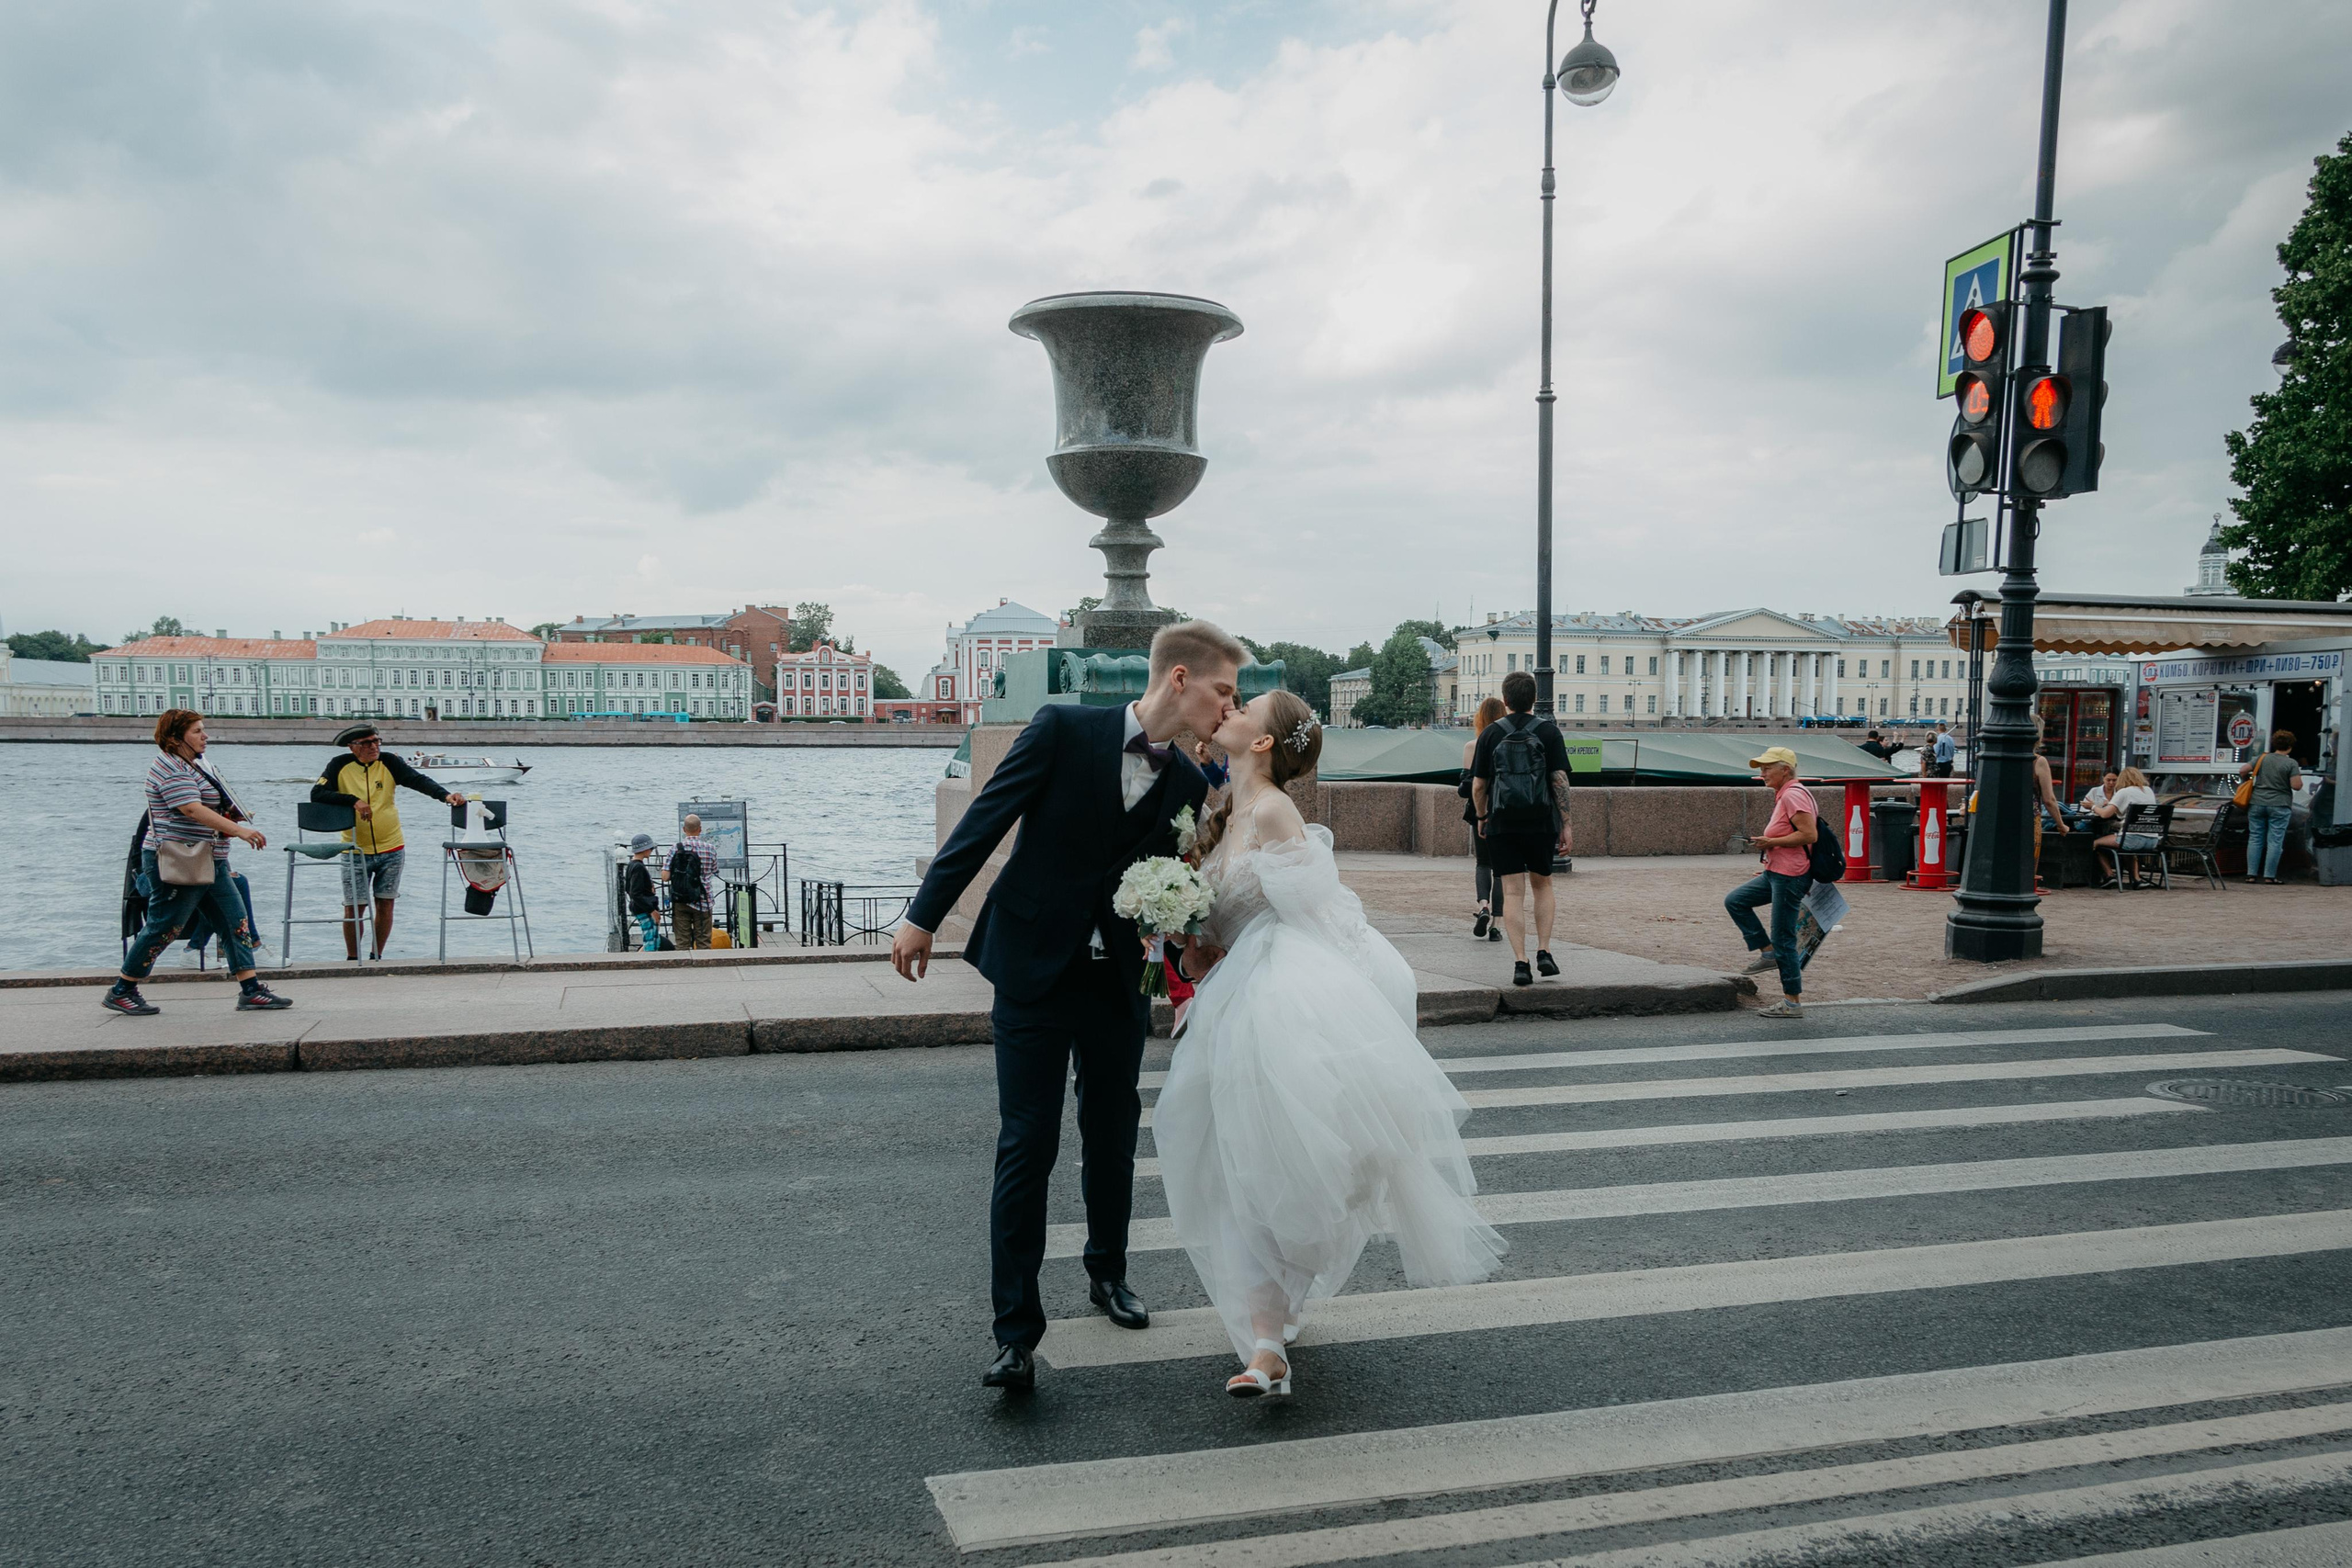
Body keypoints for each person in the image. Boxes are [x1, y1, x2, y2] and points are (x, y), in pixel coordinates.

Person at [890, 619, 1229, 1393]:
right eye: (1222, 689)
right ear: (1179, 679)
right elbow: (986, 820)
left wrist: (1190, 950)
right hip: (1033, 973)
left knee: (1112, 1135)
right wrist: (922, 914)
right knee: (1027, 1143)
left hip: (1115, 987)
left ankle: (1108, 1274)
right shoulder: (1062, 729)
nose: (1228, 704)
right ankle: (1016, 1333)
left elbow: (1178, 888)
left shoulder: (1187, 784)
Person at [1157, 690, 1505, 1399]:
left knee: (1275, 1164)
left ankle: (1265, 1342)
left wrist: (1341, 1010)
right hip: (1232, 998)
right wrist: (1181, 933)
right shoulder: (1219, 815)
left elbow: (1321, 914)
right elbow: (1214, 936)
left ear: (1263, 743)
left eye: (1245, 706)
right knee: (1238, 1166)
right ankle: (1267, 1334)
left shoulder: (1275, 810)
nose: (1231, 707)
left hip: (1283, 996)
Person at [105, 709, 293, 1017]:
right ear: (175, 738)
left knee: (235, 921)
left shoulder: (192, 765)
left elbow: (204, 805)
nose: (205, 736)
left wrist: (229, 818)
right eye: (197, 731)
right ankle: (122, 990)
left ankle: (251, 990)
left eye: (203, 730)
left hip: (209, 858)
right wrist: (239, 830)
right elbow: (191, 809)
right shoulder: (171, 769)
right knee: (164, 926)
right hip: (181, 860)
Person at [309, 725, 463, 961]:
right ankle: (352, 960)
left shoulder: (389, 762)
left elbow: (418, 780)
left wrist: (445, 795)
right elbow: (317, 794)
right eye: (367, 743)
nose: (374, 746)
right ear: (352, 747)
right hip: (354, 849)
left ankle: (376, 956)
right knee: (354, 907)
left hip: (392, 846)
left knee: (386, 904)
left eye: (376, 741)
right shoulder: (339, 765)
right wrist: (353, 800)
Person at [1470, 671, 1574, 988]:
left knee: (1513, 893)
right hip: (1541, 821)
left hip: (1503, 822)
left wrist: (1482, 816)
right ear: (1533, 699)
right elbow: (1559, 781)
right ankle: (1544, 951)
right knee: (1543, 887)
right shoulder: (1549, 732)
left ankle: (1521, 963)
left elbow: (1478, 785)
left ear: (1505, 699)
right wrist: (1566, 823)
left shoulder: (1490, 734)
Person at [1724, 746, 1816, 1021]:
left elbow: (1809, 835)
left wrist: (1771, 842)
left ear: (1785, 770)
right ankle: (1767, 953)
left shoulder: (1793, 794)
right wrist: (1769, 848)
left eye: (1767, 768)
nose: (1762, 773)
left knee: (1784, 939)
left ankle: (1792, 1002)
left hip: (1790, 875)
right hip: (1777, 871)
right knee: (1736, 901)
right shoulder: (1785, 794)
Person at [1458, 696, 1509, 942]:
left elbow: (1466, 787)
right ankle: (1497, 925)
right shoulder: (1509, 743)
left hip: (1478, 811)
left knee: (1482, 863)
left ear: (1479, 718)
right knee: (1501, 869)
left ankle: (1483, 905)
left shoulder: (1472, 746)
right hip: (1504, 811)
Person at [2240, 731, 2303, 884]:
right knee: (2275, 840)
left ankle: (2251, 875)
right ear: (2290, 747)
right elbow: (2296, 786)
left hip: (2257, 803)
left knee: (2255, 838)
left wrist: (2248, 779)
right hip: (2279, 805)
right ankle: (2269, 876)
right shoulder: (2291, 763)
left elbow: (2242, 770)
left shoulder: (2262, 758)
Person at [2087, 765, 2158, 886]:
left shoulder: (2124, 792)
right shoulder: (2148, 790)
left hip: (2132, 840)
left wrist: (2092, 806)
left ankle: (2109, 875)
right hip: (2152, 840)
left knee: (2096, 843)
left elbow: (2105, 814)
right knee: (2127, 848)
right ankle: (2136, 880)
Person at [664, 814, 721, 950]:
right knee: (704, 941)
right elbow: (715, 871)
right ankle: (704, 967)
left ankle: (684, 968)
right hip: (703, 899)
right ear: (700, 829)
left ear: (684, 829)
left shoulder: (675, 848)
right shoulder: (710, 848)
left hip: (681, 899)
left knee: (682, 942)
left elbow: (665, 876)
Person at [623, 833, 664, 950]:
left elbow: (628, 889)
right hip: (645, 908)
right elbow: (636, 893)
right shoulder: (639, 867)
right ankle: (650, 962)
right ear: (645, 849)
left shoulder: (631, 864)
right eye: (651, 849)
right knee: (651, 941)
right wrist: (652, 910)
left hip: (639, 906)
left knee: (652, 938)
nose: (651, 851)